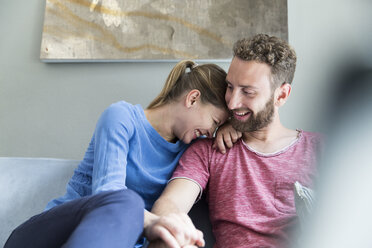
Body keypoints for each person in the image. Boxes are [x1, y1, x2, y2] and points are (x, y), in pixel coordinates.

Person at [4, 60, 230, 248]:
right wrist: (159, 223)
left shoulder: (194, 148)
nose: (212, 133)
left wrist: (235, 128)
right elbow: (108, 193)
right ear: (192, 98)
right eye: (214, 122)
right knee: (127, 201)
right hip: (50, 237)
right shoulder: (121, 118)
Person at [149, 34, 323, 248]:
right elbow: (170, 204)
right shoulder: (210, 150)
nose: (232, 103)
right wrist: (173, 230)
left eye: (248, 92)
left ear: (281, 95)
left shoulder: (323, 150)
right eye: (230, 87)